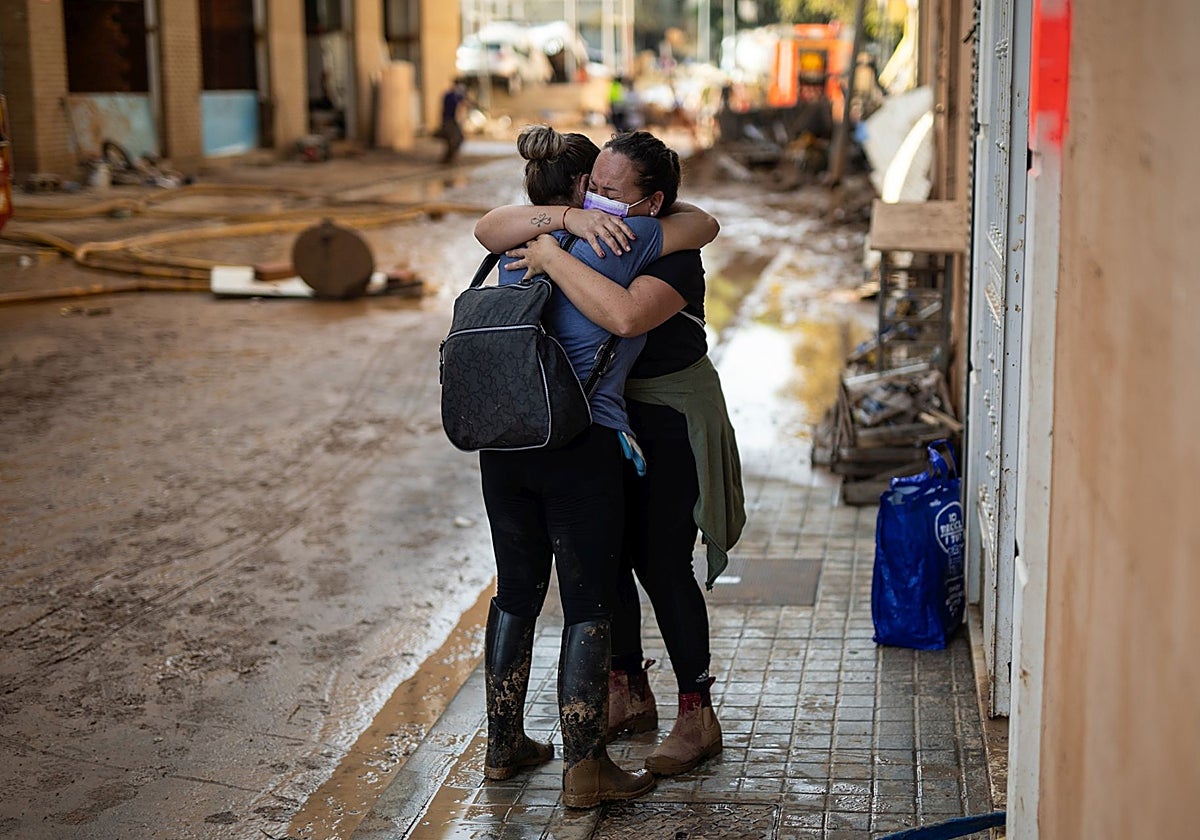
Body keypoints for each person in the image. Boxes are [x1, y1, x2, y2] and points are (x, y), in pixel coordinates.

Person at [470, 125, 719, 808]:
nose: (601, 199)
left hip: (505, 439)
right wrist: (566, 229)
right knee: (587, 600)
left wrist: (551, 242)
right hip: (578, 445)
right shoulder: (617, 238)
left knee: (519, 592)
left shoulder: (524, 242)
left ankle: (504, 748)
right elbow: (701, 225)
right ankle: (586, 767)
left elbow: (699, 228)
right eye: (595, 188)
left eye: (613, 191)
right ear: (579, 189)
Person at [438, 79, 468, 164]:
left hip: (454, 121)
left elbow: (464, 102)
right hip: (449, 121)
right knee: (453, 140)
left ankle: (449, 158)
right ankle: (447, 159)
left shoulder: (457, 95)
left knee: (458, 139)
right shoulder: (450, 96)